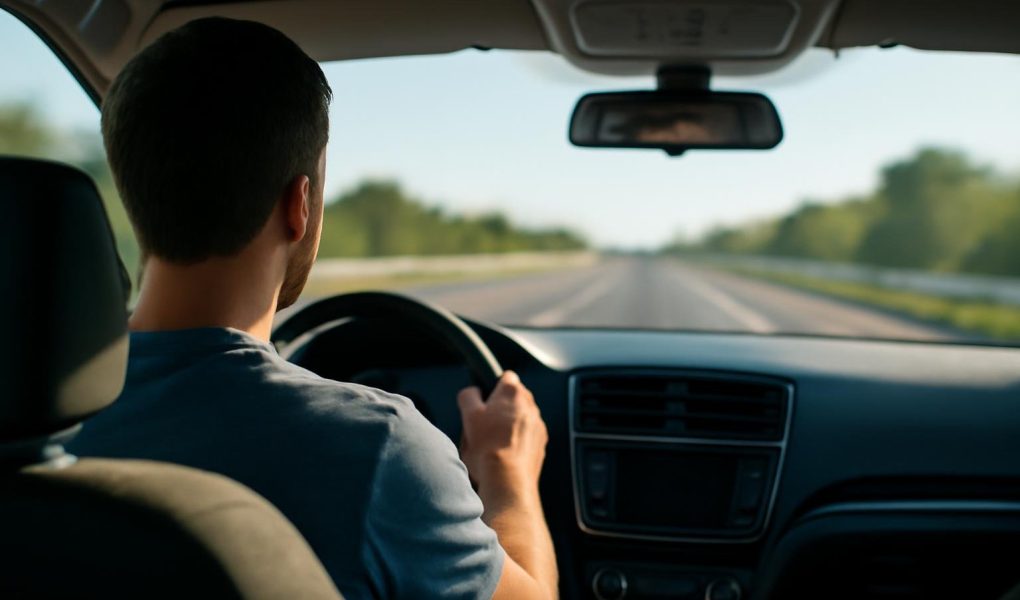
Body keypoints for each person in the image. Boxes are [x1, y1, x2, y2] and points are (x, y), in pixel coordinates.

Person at [68, 17, 557, 600]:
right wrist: (508, 473)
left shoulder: (35, 419)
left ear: (136, 195)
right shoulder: (378, 451)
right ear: (299, 204)